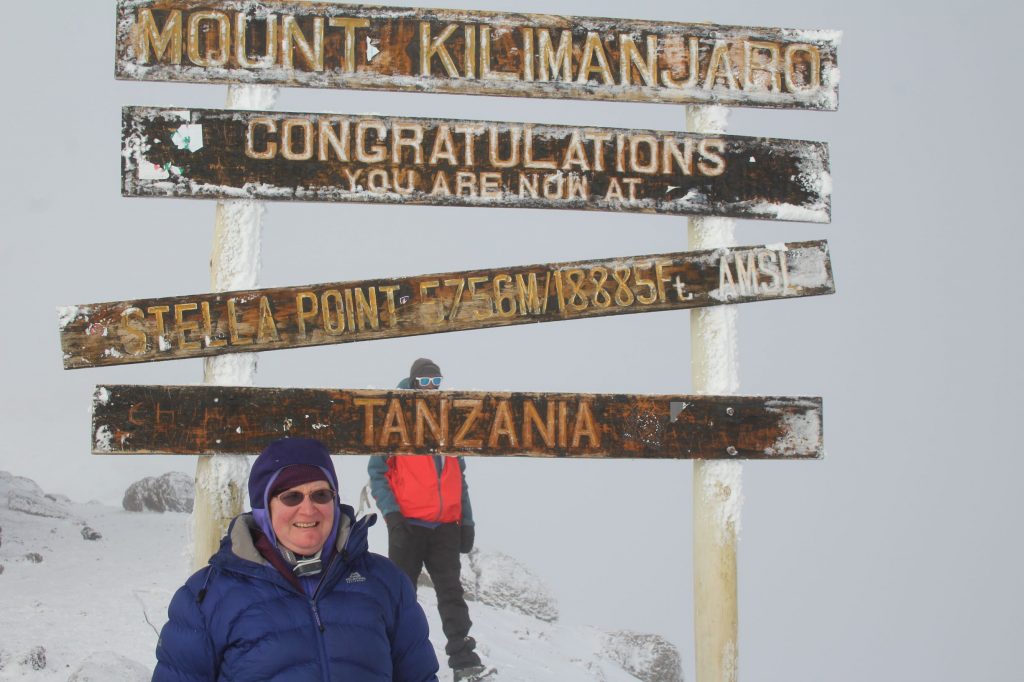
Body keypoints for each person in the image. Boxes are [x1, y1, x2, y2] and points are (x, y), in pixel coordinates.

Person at [153, 437, 439, 681]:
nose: (308, 510)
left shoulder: (384, 582)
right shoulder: (206, 597)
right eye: (291, 497)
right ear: (264, 506)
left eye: (321, 495)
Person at [368, 358, 488, 682]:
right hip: (408, 525)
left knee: (451, 593)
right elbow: (377, 473)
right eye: (424, 383)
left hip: (446, 526)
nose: (431, 389)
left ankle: (464, 661)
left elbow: (458, 477)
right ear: (412, 382)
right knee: (402, 595)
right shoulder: (395, 420)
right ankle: (393, 661)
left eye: (436, 382)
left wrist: (468, 521)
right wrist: (392, 515)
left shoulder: (449, 423)